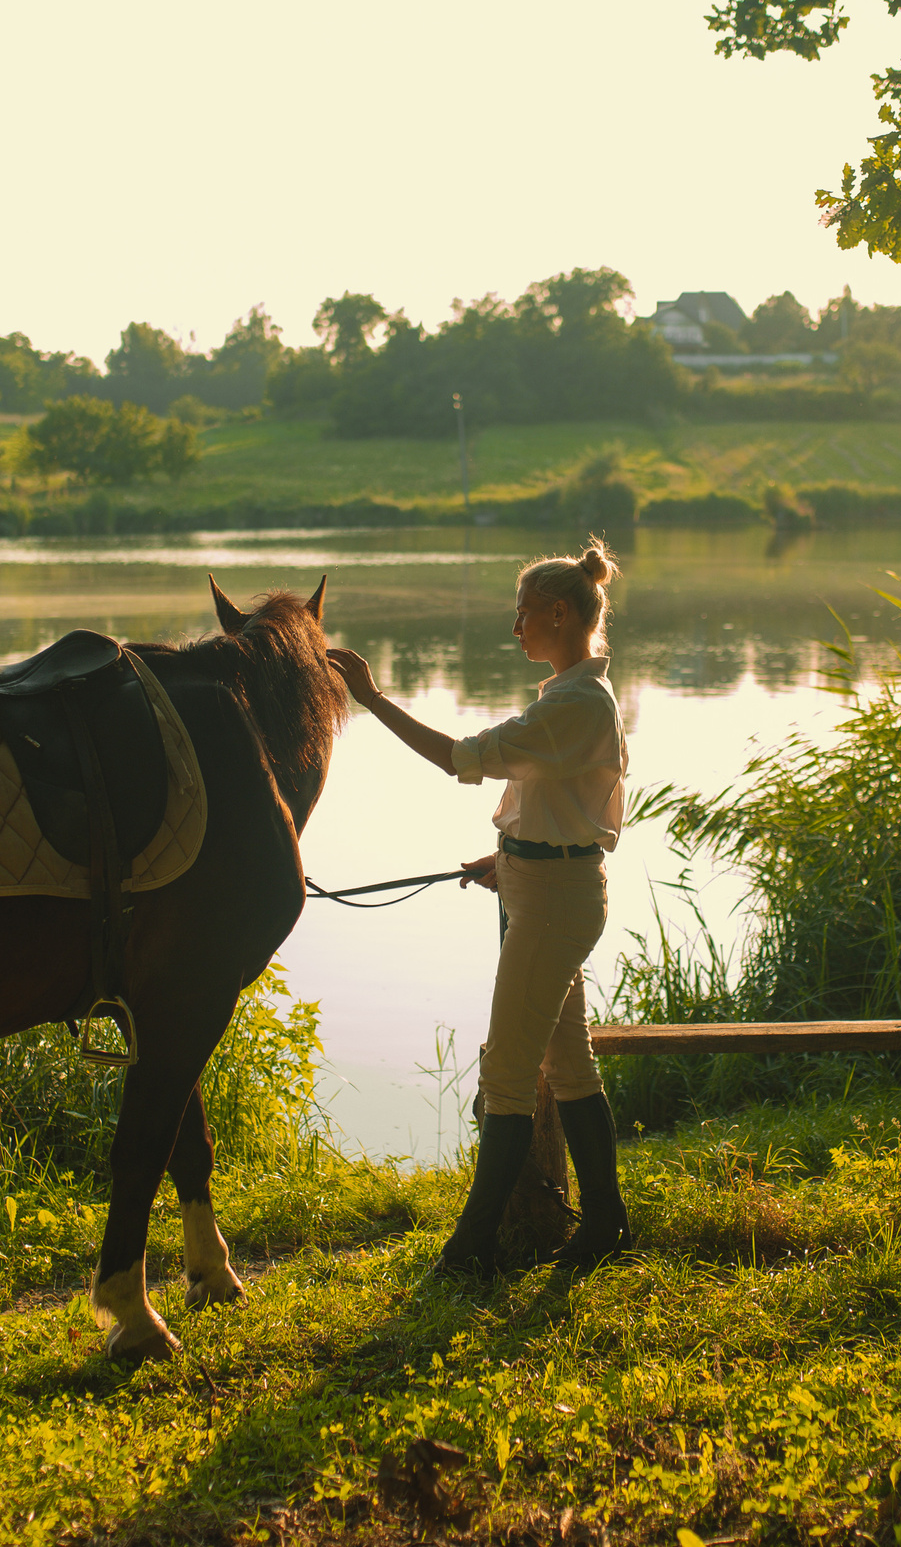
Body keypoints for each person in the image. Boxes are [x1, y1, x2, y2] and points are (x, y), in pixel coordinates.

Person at [327, 539, 631, 1278]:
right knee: (570, 1066)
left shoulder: (574, 704)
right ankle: (606, 1224)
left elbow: (459, 757)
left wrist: (372, 699)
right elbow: (563, 801)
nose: (515, 626)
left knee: (507, 1075)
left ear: (559, 614)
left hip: (553, 903)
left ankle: (471, 1249)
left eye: (523, 612)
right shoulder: (569, 697)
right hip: (547, 889)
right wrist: (512, 856)